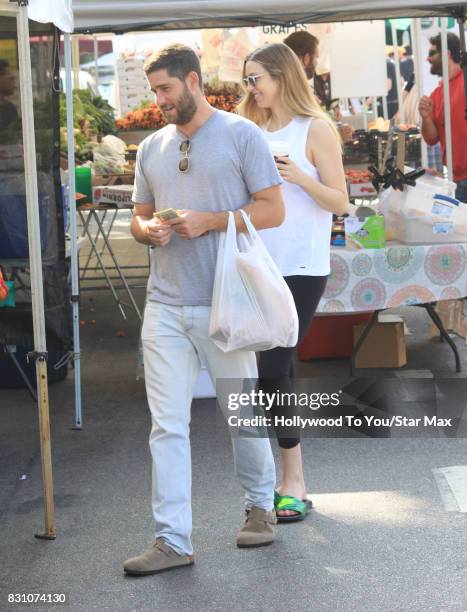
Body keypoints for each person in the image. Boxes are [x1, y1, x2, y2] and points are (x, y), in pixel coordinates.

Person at [125, 44, 284, 576]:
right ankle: (172, 540)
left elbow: (273, 209)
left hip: (226, 302)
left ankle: (261, 506)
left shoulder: (242, 135)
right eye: (154, 92)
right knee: (166, 426)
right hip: (165, 304)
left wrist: (211, 221)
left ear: (192, 81)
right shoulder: (151, 147)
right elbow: (138, 219)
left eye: (166, 89)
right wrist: (147, 231)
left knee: (240, 414)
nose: (160, 99)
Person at [238, 43, 348, 521]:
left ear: (283, 76)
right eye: (246, 79)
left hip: (302, 267)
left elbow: (340, 202)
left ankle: (293, 481)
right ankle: (285, 479)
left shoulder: (315, 128)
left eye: (256, 77)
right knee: (274, 370)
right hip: (256, 262)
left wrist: (301, 178)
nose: (250, 87)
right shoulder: (248, 129)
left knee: (272, 371)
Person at [419, 33, 467, 202]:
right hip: (456, 179)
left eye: (432, 53)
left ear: (447, 54)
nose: (427, 59)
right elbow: (432, 139)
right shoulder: (438, 94)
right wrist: (425, 118)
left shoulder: (465, 81)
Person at [283, 31, 353, 142]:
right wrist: (336, 135)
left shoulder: (286, 86)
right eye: (316, 58)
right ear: (306, 58)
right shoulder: (292, 90)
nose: (316, 63)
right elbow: (303, 135)